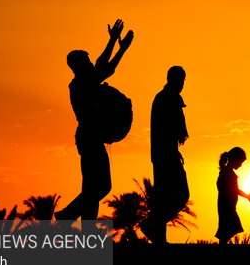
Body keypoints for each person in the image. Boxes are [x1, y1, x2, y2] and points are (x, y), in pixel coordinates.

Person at [55, 19, 134, 228]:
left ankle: (82, 227)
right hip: (89, 138)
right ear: (80, 66)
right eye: (87, 62)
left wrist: (117, 45)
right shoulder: (81, 84)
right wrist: (115, 45)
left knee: (93, 188)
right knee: (100, 187)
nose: (91, 64)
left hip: (91, 138)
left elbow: (103, 68)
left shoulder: (83, 82)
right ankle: (67, 215)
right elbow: (103, 68)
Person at [141, 66, 189, 244]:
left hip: (166, 154)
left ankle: (158, 236)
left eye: (183, 80)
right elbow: (166, 130)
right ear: (171, 79)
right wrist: (172, 152)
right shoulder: (167, 99)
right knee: (180, 194)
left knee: (163, 200)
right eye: (180, 80)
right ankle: (152, 226)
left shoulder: (169, 98)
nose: (182, 84)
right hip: (165, 156)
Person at [215, 147, 250, 244]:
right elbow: (235, 190)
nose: (241, 165)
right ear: (234, 159)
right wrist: (248, 196)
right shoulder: (227, 173)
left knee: (227, 229)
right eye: (240, 162)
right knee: (229, 228)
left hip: (227, 206)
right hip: (227, 207)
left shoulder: (226, 171)